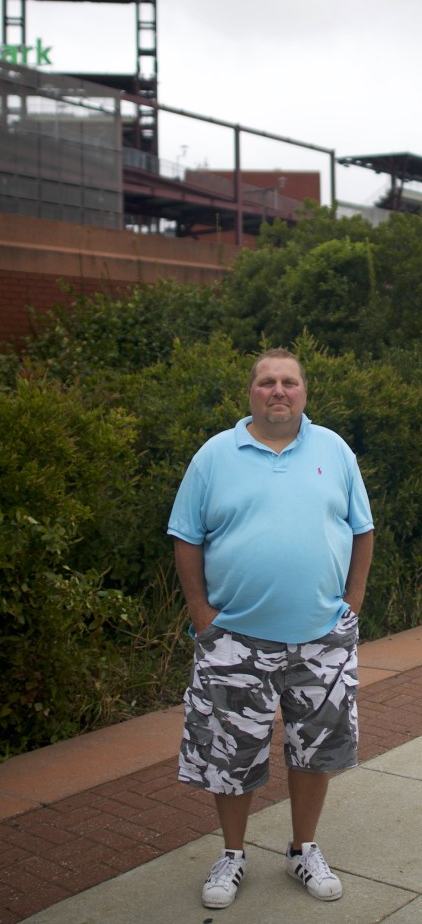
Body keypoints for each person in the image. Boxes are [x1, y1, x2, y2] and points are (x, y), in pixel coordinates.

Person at [168, 348, 374, 910]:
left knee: (318, 751)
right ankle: (232, 856)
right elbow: (186, 537)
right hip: (233, 640)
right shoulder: (214, 455)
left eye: (289, 382)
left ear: (304, 391)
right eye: (267, 382)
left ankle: (303, 848)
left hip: (323, 637)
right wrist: (202, 618)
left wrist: (351, 605)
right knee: (230, 756)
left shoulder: (334, 451)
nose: (278, 390)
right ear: (251, 392)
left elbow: (363, 530)